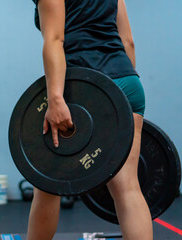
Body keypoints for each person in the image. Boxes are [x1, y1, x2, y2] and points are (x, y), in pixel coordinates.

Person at [27, 0, 152, 239]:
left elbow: (54, 39)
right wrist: (116, 95)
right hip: (127, 80)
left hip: (84, 87)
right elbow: (128, 42)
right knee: (128, 189)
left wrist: (55, 98)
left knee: (47, 185)